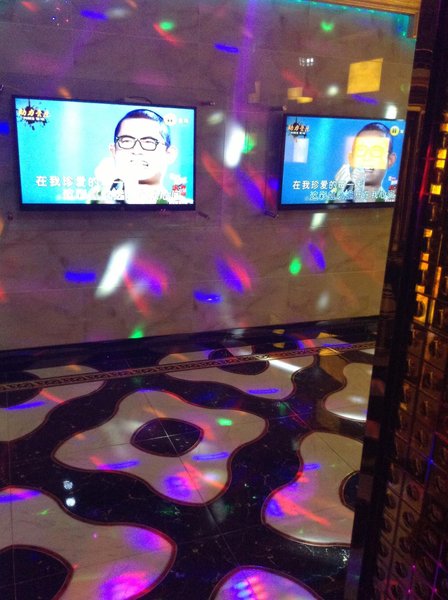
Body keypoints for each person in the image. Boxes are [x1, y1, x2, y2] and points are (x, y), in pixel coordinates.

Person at [91, 108, 191, 205]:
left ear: (169, 154)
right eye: (126, 141)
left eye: (148, 142)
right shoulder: (97, 202)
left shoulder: (182, 207)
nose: (137, 151)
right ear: (113, 151)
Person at [329, 122, 398, 203]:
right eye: (361, 151)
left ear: (390, 160)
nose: (367, 158)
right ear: (350, 158)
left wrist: (358, 197)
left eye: (376, 151)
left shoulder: (391, 202)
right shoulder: (334, 197)